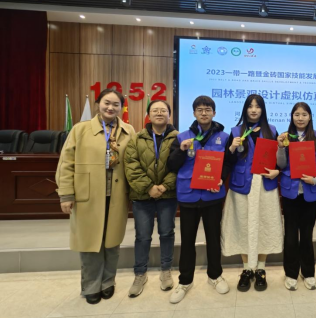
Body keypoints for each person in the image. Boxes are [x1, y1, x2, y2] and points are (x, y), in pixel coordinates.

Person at [56, 89, 136, 305]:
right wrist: (66, 194)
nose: (111, 107)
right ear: (98, 103)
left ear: (121, 107)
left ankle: (108, 282)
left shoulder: (128, 130)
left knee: (112, 241)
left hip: (117, 195)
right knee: (90, 242)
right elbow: (66, 163)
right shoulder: (80, 129)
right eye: (107, 103)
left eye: (116, 104)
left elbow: (134, 162)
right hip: (88, 195)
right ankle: (91, 285)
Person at [167, 96, 230, 304]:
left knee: (214, 239)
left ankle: (215, 276)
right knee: (187, 241)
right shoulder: (182, 137)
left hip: (212, 195)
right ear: (194, 113)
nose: (204, 113)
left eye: (208, 109)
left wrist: (221, 178)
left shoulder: (224, 137)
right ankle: (185, 281)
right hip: (189, 195)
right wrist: (181, 150)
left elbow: (228, 163)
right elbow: (172, 165)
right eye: (200, 109)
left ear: (214, 113)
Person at [221, 94, 283, 292]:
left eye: (257, 106)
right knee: (243, 225)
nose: (254, 110)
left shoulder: (272, 130)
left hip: (265, 185)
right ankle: (247, 269)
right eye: (250, 106)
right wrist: (231, 148)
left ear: (263, 110)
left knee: (264, 224)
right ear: (245, 109)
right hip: (242, 186)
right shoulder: (235, 131)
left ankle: (261, 269)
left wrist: (277, 171)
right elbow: (227, 162)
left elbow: (280, 159)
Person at [124, 100, 179, 298]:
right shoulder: (136, 138)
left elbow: (181, 165)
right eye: (155, 110)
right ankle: (140, 274)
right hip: (142, 196)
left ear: (169, 115)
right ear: (148, 114)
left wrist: (164, 186)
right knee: (143, 236)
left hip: (168, 195)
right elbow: (131, 165)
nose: (159, 113)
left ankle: (166, 270)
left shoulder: (179, 138)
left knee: (166, 233)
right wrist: (149, 187)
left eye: (163, 110)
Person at [276, 102, 316, 291]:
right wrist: (280, 147)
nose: (300, 118)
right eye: (297, 114)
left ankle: (308, 272)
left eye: (304, 114)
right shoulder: (285, 137)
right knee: (290, 235)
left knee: (307, 234)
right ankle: (291, 273)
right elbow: (281, 164)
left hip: (311, 192)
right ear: (292, 117)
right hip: (290, 192)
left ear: (310, 117)